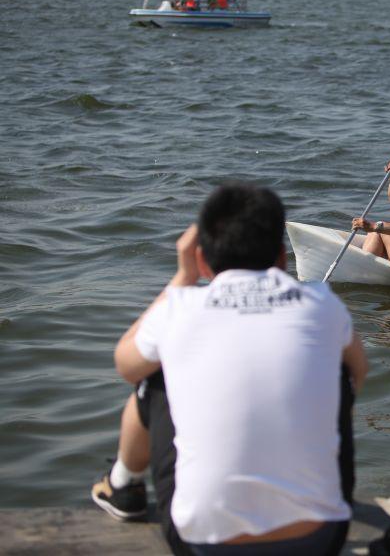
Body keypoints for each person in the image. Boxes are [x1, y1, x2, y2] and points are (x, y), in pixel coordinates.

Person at [90, 184, 368, 555]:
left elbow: (126, 364)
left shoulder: (181, 308)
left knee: (154, 375)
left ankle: (123, 484)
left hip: (200, 545)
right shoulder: (321, 302)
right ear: (283, 258)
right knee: (338, 373)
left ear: (202, 259)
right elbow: (359, 374)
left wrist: (183, 277)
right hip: (321, 539)